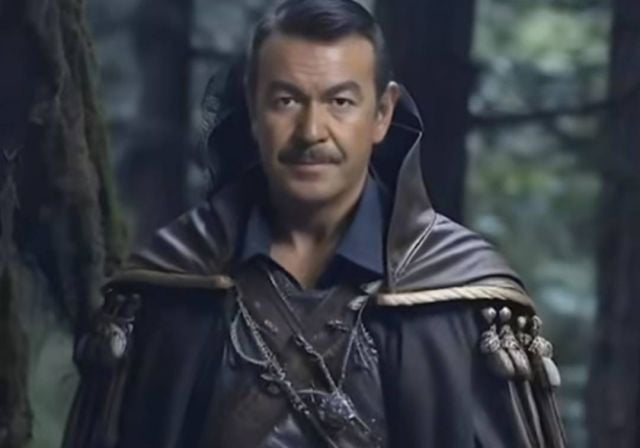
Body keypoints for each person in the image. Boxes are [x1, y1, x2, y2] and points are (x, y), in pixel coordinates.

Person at [63, 0, 567, 447]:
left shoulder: (462, 296)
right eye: (286, 101)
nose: (311, 131)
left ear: (382, 113)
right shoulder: (171, 285)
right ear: (253, 109)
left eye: (340, 102)